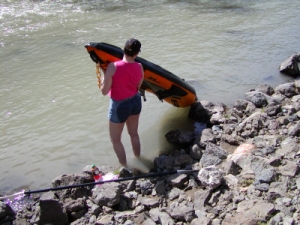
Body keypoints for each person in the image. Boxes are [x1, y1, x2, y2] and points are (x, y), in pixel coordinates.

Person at [100, 38, 144, 167]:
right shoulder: (139, 66)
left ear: (123, 49)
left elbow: (104, 91)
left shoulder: (113, 66)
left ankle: (125, 168)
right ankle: (139, 159)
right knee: (134, 134)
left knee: (115, 140)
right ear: (137, 53)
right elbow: (138, 87)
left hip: (119, 105)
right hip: (135, 101)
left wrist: (104, 74)